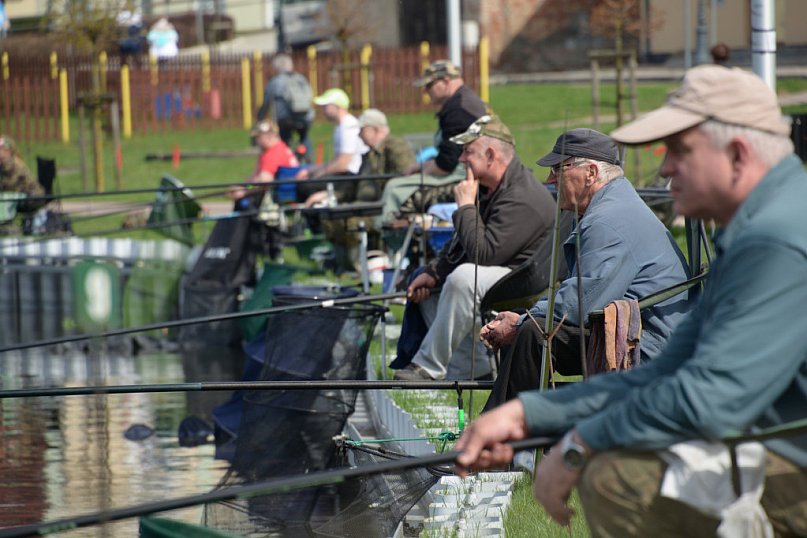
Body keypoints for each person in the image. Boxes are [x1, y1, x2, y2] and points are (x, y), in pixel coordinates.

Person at [455, 65, 807, 537]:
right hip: (774, 440)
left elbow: (710, 400)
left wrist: (580, 442)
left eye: (679, 151)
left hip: (789, 458)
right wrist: (526, 414)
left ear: (738, 154)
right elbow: (670, 373)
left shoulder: (775, 237)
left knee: (617, 476)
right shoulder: (760, 226)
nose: (663, 169)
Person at [480, 128, 692, 409]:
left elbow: (580, 303)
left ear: (591, 172)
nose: (550, 179)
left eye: (558, 169)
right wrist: (523, 318)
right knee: (531, 329)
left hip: (650, 346)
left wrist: (520, 321)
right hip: (638, 334)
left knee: (532, 333)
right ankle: (512, 438)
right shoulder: (615, 206)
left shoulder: (607, 220)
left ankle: (503, 441)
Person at [392, 115, 556, 381]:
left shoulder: (522, 196)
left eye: (468, 152)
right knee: (428, 288)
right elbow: (462, 244)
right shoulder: (492, 187)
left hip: (522, 279)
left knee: (464, 278)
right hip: (501, 270)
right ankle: (475, 369)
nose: (461, 159)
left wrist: (466, 207)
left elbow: (484, 255)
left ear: (490, 155)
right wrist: (434, 271)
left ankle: (427, 367)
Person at [378, 60, 487, 224]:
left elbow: (446, 164)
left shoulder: (458, 109)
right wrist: (418, 167)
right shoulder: (466, 100)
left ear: (446, 81)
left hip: (465, 175)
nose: (425, 91)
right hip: (468, 171)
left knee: (394, 187)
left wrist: (421, 170)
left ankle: (391, 241)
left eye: (429, 85)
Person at [321, 108, 416, 274]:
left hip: (385, 209)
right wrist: (329, 196)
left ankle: (355, 268)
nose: (358, 135)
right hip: (365, 206)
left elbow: (407, 180)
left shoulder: (395, 147)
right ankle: (345, 265)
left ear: (375, 130)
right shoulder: (369, 155)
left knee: (346, 221)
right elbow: (354, 186)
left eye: (362, 130)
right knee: (330, 215)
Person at [296, 88, 368, 207]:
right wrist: (311, 171)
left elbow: (342, 163)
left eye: (326, 106)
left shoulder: (348, 127)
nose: (323, 110)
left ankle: (318, 216)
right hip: (345, 174)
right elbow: (336, 161)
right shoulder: (340, 126)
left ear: (337, 107)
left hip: (352, 176)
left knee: (306, 186)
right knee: (305, 181)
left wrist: (319, 173)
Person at [256, 53, 314, 159]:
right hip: (305, 116)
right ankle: (309, 162)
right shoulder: (301, 78)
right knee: (304, 138)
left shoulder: (275, 82)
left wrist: (260, 117)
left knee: (284, 141)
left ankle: (285, 163)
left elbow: (266, 102)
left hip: (285, 119)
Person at [227, 120, 299, 201]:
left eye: (258, 137)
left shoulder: (273, 154)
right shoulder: (275, 149)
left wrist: (244, 192)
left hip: (275, 197)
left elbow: (264, 182)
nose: (257, 141)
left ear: (269, 136)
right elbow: (254, 180)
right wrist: (243, 187)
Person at [0, 134, 45, 232]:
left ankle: (6, 225)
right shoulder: (4, 165)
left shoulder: (14, 165)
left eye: (1, 149)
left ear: (8, 151)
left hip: (32, 197)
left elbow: (8, 185)